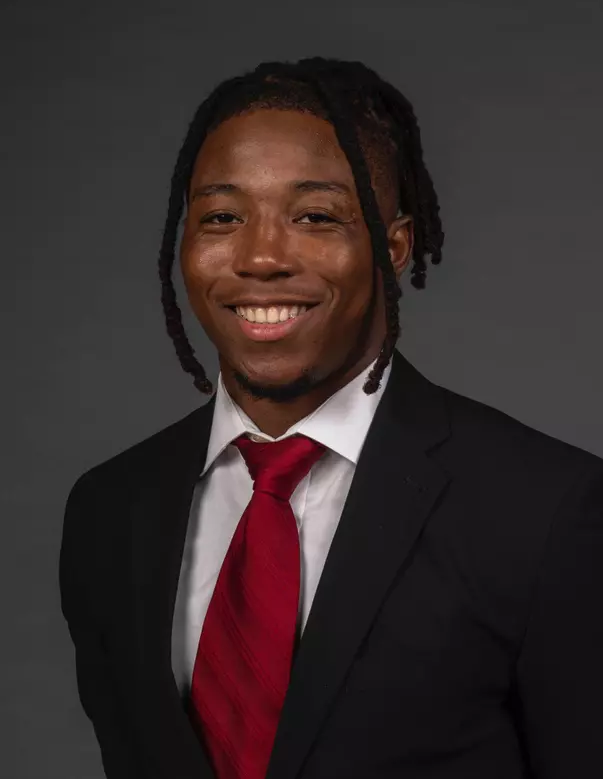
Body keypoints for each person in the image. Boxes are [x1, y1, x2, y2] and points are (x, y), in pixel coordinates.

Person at [59, 57, 603, 779]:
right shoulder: (109, 510)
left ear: (394, 243)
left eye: (315, 216)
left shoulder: (545, 510)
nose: (259, 256)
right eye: (222, 217)